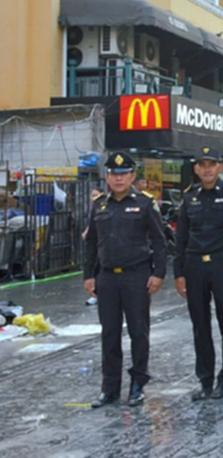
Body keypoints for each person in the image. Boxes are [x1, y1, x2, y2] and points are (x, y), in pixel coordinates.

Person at [83, 152, 166, 408]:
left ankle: (137, 385)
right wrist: (88, 275)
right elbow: (91, 243)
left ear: (132, 176)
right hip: (107, 278)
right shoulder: (100, 205)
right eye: (113, 175)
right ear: (107, 177)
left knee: (138, 333)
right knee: (109, 334)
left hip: (136, 276)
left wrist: (158, 273)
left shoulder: (144, 204)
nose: (118, 179)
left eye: (123, 174)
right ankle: (109, 388)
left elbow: (160, 241)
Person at [173, 146, 223, 401]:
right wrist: (178, 272)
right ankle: (205, 379)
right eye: (202, 165)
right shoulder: (189, 197)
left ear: (220, 167)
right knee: (200, 325)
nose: (207, 169)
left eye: (212, 164)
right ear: (196, 169)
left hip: (222, 264)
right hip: (195, 265)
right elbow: (181, 237)